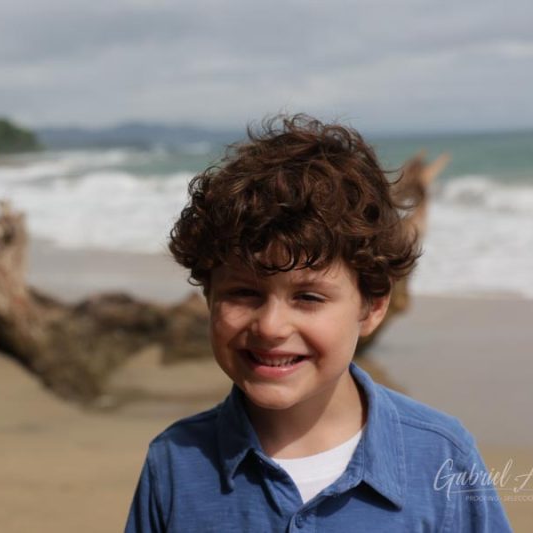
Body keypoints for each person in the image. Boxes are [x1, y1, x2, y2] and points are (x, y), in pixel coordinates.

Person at [125, 115, 512, 532]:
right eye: (244, 293)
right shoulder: (176, 463)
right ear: (209, 296)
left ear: (373, 306)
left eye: (308, 297)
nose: (271, 327)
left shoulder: (441, 456)